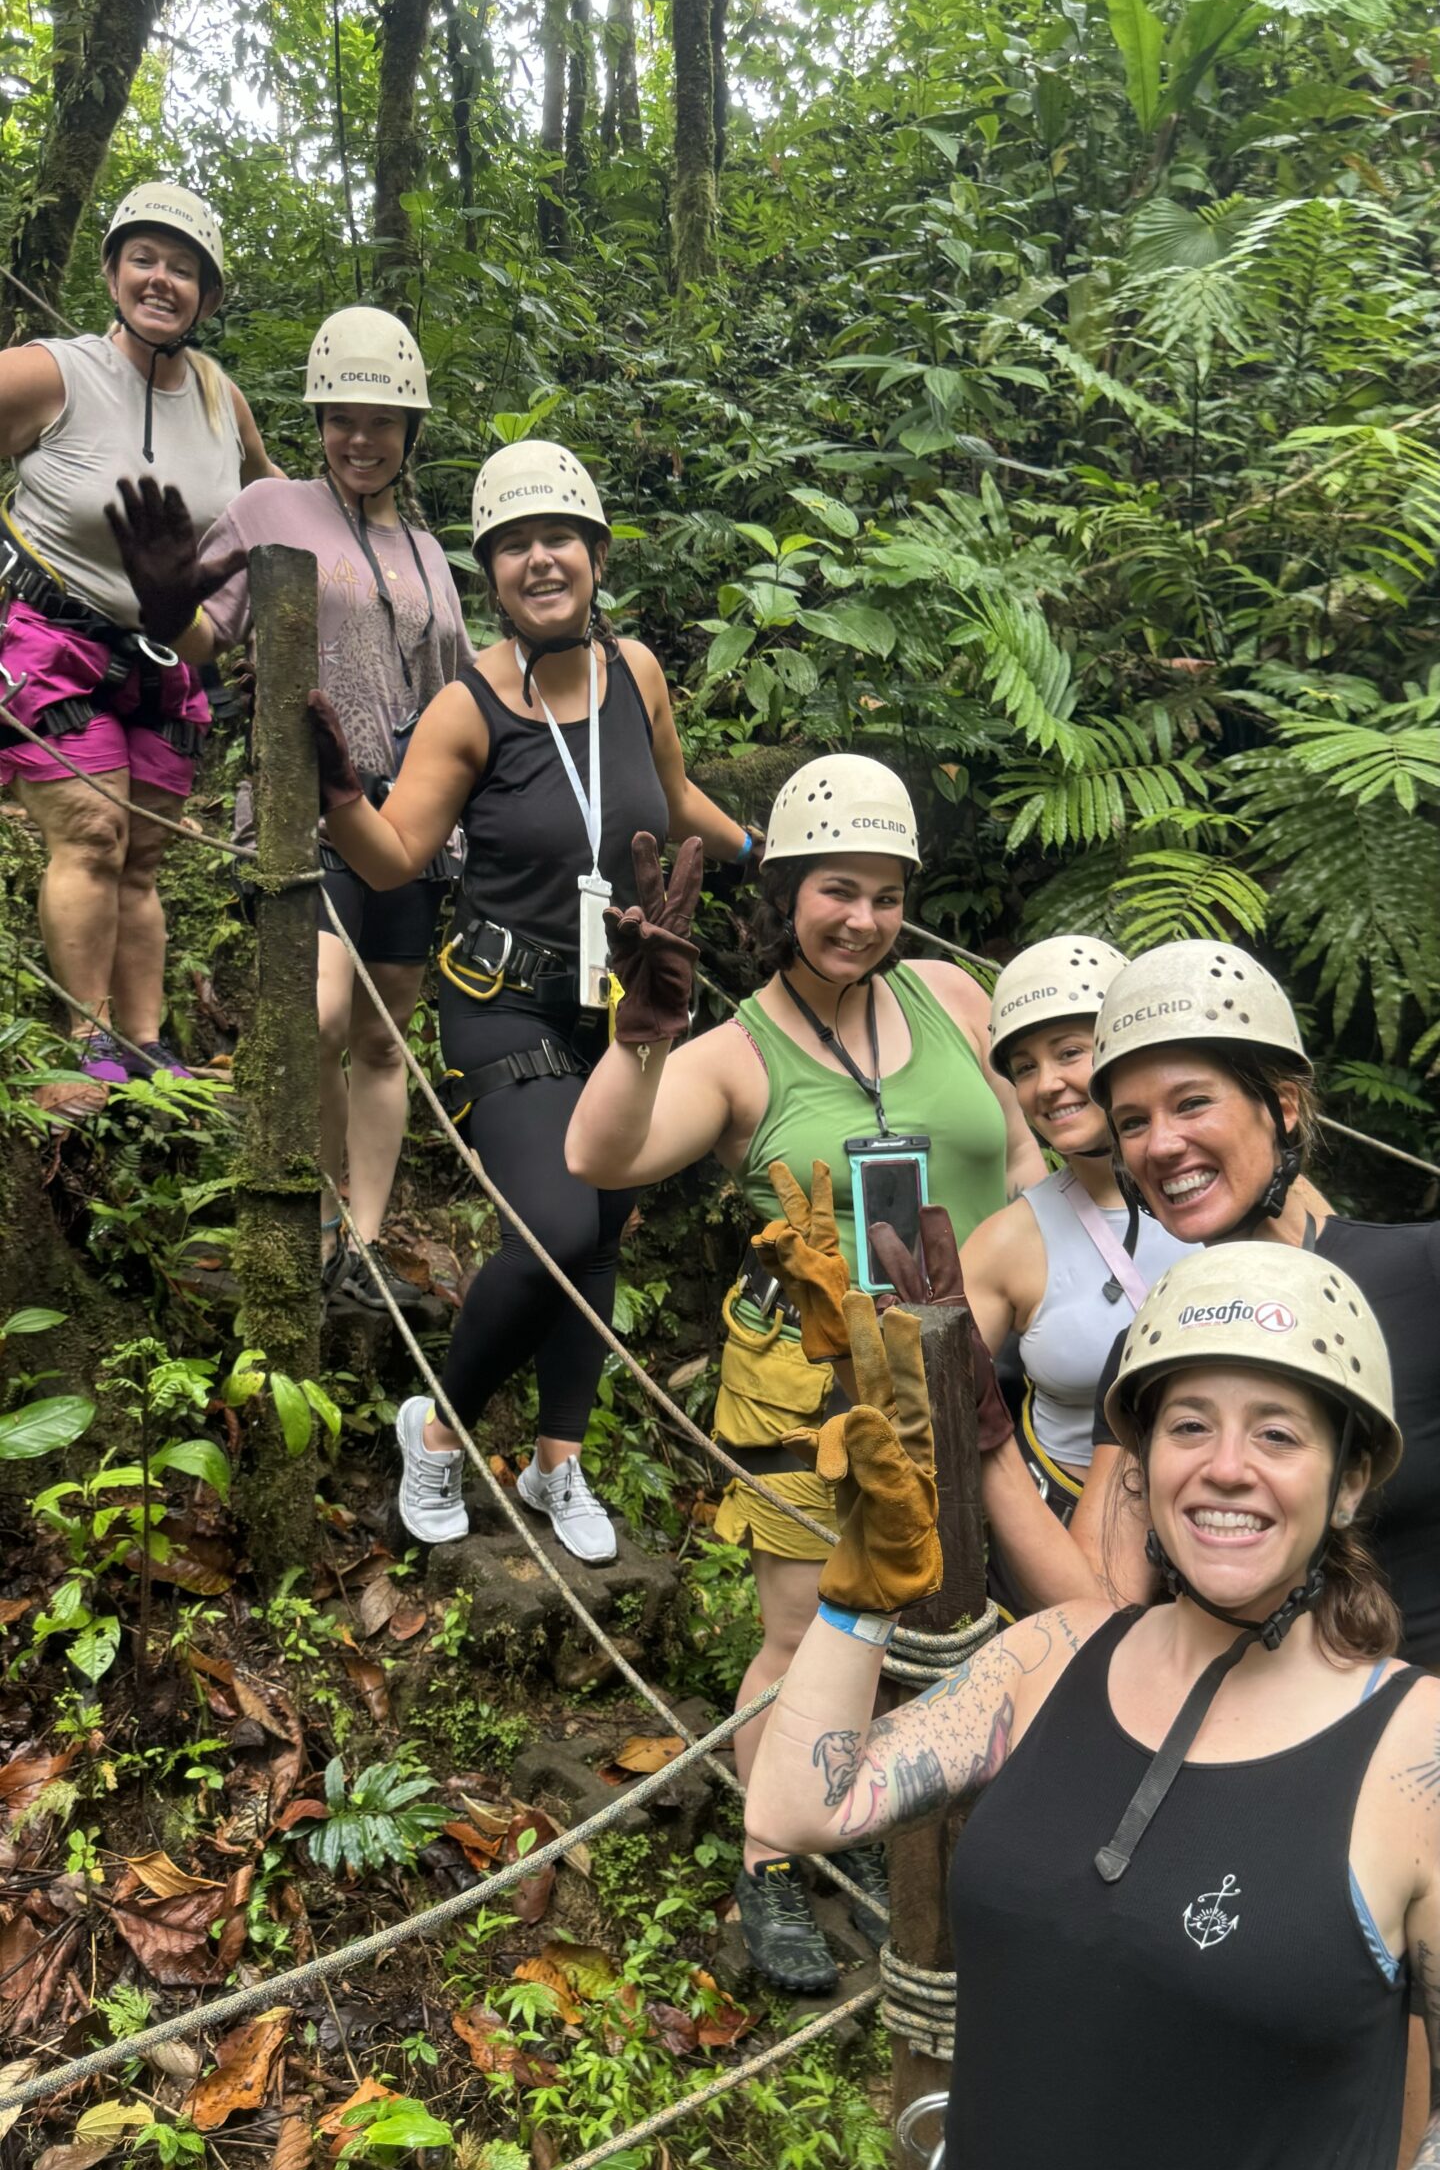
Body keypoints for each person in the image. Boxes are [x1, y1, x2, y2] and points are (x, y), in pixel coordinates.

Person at [678, 1247, 1440, 2170]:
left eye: (1279, 1431)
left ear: (1350, 1475)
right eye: (1188, 1423)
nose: (1228, 1465)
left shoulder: (1415, 1756)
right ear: (1138, 1460)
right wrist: (860, 1599)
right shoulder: (1051, 1659)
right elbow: (800, 1803)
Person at [565, 755, 1051, 1991]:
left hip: (974, 1367)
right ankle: (770, 1849)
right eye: (839, 889)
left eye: (887, 895)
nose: (864, 920)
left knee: (970, 1615)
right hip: (810, 1370)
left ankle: (912, 1831)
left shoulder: (952, 993)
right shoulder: (734, 1054)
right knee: (807, 1625)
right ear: (784, 889)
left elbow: (1035, 1154)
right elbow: (599, 1155)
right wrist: (639, 1039)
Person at [305, 438, 753, 1563]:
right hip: (503, 999)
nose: (539, 560)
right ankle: (439, 1430)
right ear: (491, 574)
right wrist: (340, 794)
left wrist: (768, 854)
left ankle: (560, 1459)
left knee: (604, 1228)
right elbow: (400, 855)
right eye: (513, 546)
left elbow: (679, 790)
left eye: (558, 539)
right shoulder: (469, 708)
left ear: (595, 555)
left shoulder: (638, 672)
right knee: (556, 1222)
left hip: (621, 1003)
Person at [108, 309, 473, 1310]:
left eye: (383, 421)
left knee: (382, 1035)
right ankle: (307, 1223)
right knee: (313, 1015)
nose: (361, 439)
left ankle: (361, 1238)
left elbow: (459, 695)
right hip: (302, 809)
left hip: (408, 821)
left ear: (411, 430)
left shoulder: (434, 554)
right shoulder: (269, 508)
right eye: (342, 419)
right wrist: (164, 609)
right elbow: (200, 639)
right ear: (316, 422)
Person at [1070, 939, 1440, 1670]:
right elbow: (1100, 1602)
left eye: (1192, 1103)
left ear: (1283, 1106)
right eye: (1133, 1122)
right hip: (1250, 1743)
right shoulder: (1152, 1348)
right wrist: (980, 1435)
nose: (1162, 1144)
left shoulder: (1422, 1273)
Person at [0, 183, 276, 1112]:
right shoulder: (53, 372)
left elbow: (271, 501)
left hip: (166, 656)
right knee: (92, 831)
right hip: (52, 639)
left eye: (184, 268)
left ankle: (148, 1046)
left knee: (146, 858)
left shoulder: (218, 398)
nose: (162, 280)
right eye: (145, 260)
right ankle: (83, 1051)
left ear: (208, 293)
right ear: (113, 271)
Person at [961, 935, 1194, 1522]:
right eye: (1024, 1068)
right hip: (1070, 1524)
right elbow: (921, 1408)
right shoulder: (1007, 1243)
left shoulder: (1227, 1194)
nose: (1045, 1085)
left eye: (1070, 1052)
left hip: (1226, 1520)